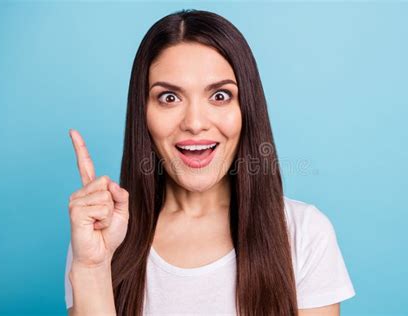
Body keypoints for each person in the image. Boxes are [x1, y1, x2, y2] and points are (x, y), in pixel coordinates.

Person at [64, 9, 355, 316]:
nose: (195, 122)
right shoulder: (102, 236)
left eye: (219, 95)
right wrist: (92, 269)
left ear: (246, 109)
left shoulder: (304, 233)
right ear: (143, 114)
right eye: (169, 98)